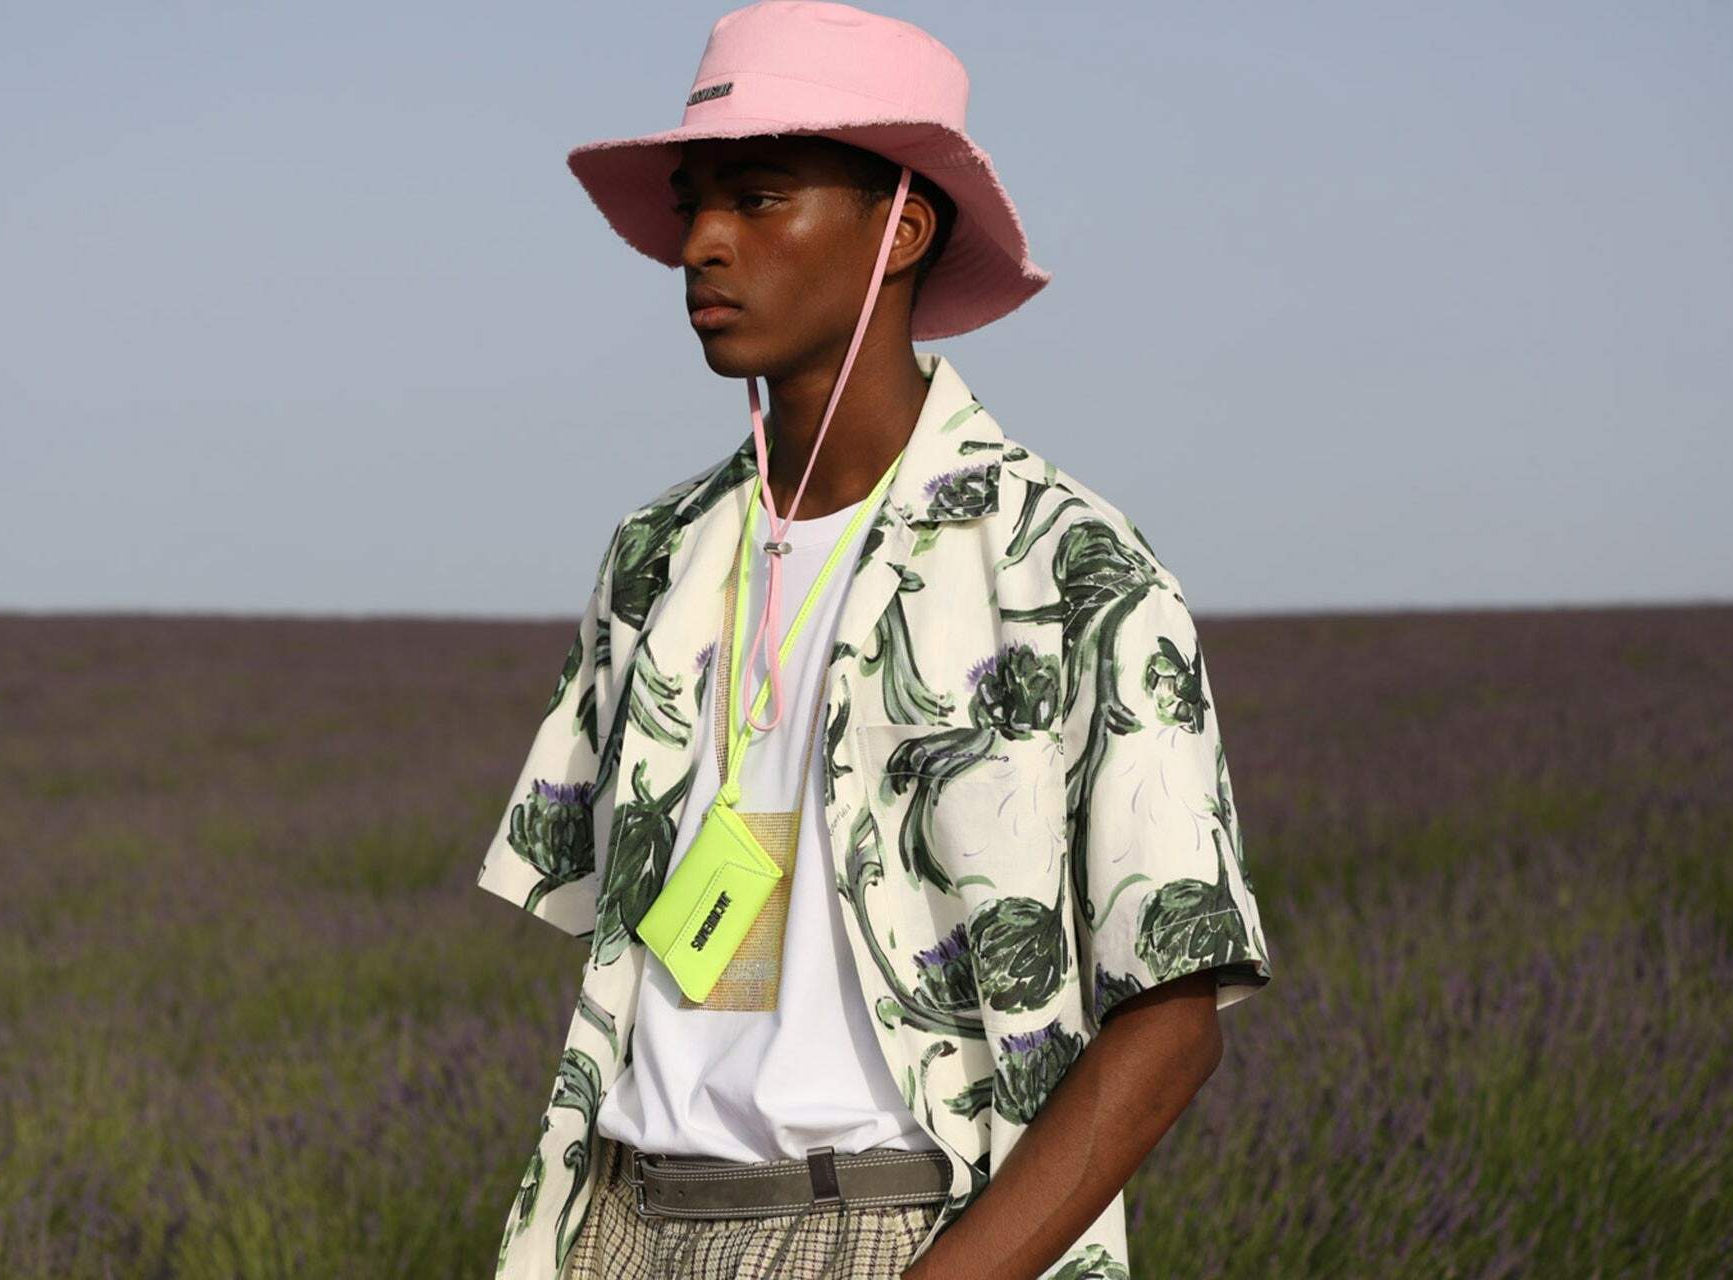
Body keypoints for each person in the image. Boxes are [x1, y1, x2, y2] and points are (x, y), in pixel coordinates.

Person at [475, 4, 1272, 1277]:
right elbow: (615, 940)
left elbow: (1174, 1022)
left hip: (900, 1230)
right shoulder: (655, 559)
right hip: (616, 1224)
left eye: (760, 195)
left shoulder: (1069, 567)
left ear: (902, 226)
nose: (703, 243)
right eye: (693, 203)